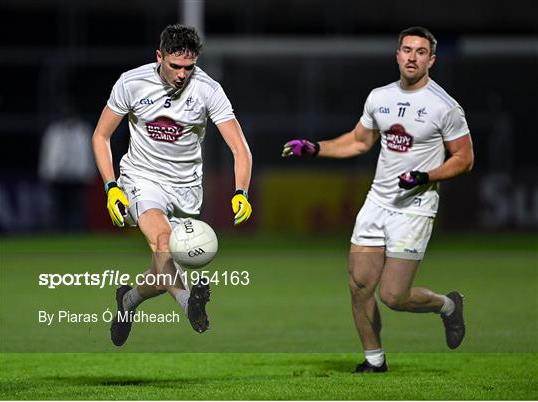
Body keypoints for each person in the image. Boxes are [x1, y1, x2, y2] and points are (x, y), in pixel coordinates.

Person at [282, 26, 474, 372]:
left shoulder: (444, 106)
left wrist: (426, 176)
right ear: (397, 54)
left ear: (431, 59)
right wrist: (315, 148)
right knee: (359, 285)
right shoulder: (379, 97)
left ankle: (447, 306)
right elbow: (358, 141)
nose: (412, 57)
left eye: (420, 52)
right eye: (406, 50)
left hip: (415, 208)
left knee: (393, 296)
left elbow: (464, 158)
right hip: (377, 203)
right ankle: (374, 360)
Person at [92, 23, 252, 346]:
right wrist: (111, 186)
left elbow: (240, 148)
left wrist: (241, 192)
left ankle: (128, 300)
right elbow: (101, 136)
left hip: (186, 191)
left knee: (161, 267)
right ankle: (189, 303)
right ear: (159, 57)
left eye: (189, 68)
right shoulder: (132, 83)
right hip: (142, 179)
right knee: (163, 241)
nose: (182, 75)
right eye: (175, 66)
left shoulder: (207, 89)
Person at [39, 103, 96, 231]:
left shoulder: (83, 130)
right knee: (57, 207)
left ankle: (76, 231)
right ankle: (57, 232)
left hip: (77, 176)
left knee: (76, 207)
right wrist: (46, 171)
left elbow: (88, 152)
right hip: (58, 176)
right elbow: (48, 151)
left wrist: (89, 172)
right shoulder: (54, 130)